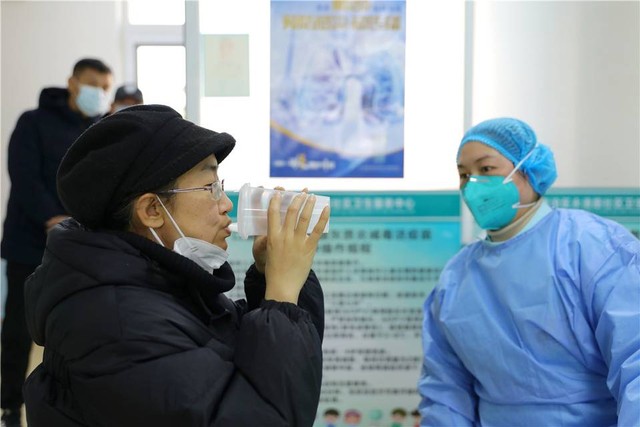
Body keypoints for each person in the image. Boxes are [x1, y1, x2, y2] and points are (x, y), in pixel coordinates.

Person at [22, 104, 330, 427]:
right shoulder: (118, 328)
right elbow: (263, 415)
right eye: (211, 188)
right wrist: (280, 295)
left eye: (221, 185)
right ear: (152, 210)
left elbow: (260, 369)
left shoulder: (161, 281)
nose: (226, 204)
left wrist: (272, 277)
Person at [418, 117, 639, 426]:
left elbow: (635, 362)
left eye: (486, 169)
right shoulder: (457, 276)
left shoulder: (589, 245)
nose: (472, 185)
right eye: (464, 175)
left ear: (529, 169)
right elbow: (446, 389)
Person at [0, 57, 113, 427]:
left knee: (75, 328)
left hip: (79, 250)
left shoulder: (99, 129)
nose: (100, 93)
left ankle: (69, 407)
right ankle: (10, 405)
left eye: (105, 87)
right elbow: (24, 177)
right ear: (73, 83)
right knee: (18, 330)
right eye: (94, 84)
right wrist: (53, 219)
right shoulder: (33, 122)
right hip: (28, 243)